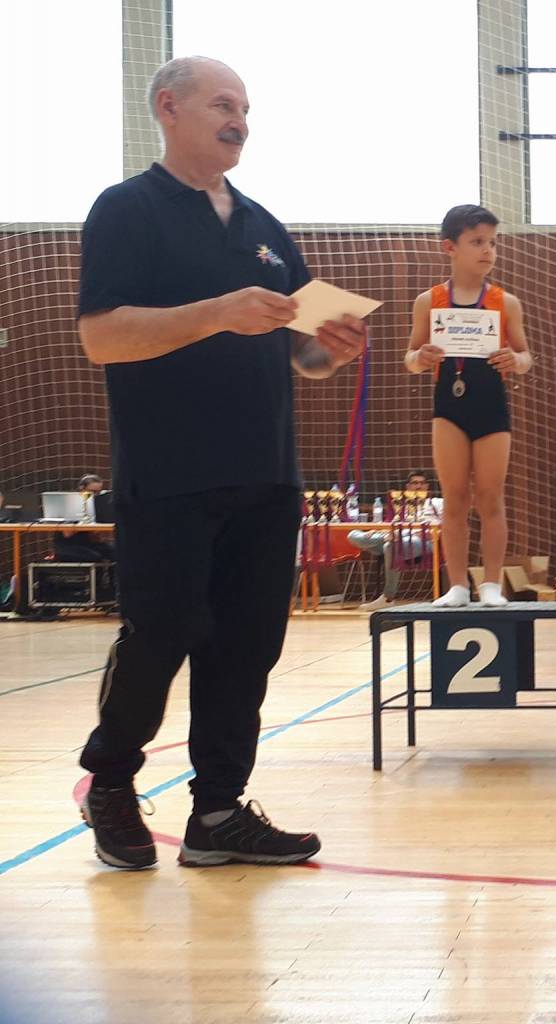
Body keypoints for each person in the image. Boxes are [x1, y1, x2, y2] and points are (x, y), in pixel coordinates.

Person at [74, 56, 368, 870]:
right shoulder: (126, 209)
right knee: (163, 632)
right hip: (168, 472)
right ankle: (110, 782)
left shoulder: (265, 227)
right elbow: (101, 336)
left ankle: (217, 812)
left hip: (266, 476)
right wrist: (216, 313)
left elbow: (303, 353)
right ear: (168, 108)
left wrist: (332, 346)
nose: (239, 120)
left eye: (245, 108)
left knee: (245, 647)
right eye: (223, 104)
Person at [403, 204, 532, 608]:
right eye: (477, 242)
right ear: (450, 247)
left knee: (490, 498)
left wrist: (515, 360)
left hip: (492, 409)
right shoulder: (430, 301)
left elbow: (526, 356)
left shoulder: (505, 302)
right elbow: (410, 358)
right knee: (454, 497)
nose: (487, 250)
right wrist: (420, 357)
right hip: (449, 409)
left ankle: (491, 584)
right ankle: (457, 586)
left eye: (492, 242)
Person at [348, 471, 443, 611]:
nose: (419, 486)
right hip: (396, 540)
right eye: (415, 483)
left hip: (425, 543)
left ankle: (388, 598)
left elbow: (444, 529)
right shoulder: (399, 504)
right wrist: (381, 531)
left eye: (422, 483)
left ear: (427, 486)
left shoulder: (436, 503)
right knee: (353, 535)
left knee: (390, 546)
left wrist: (404, 534)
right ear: (408, 486)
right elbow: (389, 524)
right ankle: (388, 539)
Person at [55, 474, 116, 563]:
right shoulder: (69, 504)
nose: (95, 495)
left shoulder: (98, 505)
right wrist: (85, 522)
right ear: (81, 488)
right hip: (68, 545)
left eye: (98, 492)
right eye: (92, 492)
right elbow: (67, 534)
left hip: (88, 544)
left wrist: (98, 532)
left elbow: (95, 538)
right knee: (95, 556)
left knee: (116, 552)